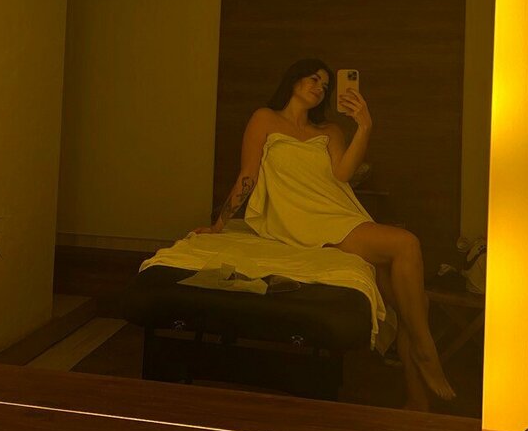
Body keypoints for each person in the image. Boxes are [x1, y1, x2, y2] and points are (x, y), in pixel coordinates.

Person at [193, 58, 454, 407]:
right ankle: (426, 350)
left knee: (412, 303)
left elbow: (343, 173)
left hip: (337, 215)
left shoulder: (330, 131)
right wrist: (219, 224)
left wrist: (364, 126)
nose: (320, 87)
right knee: (406, 243)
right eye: (314, 79)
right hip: (301, 222)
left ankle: (417, 399)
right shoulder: (265, 119)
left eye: (326, 85)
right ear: (294, 80)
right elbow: (248, 175)